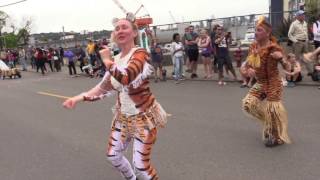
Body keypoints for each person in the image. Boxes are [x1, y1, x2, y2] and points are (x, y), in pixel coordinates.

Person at [63, 16, 168, 180]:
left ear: (134, 33)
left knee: (141, 168)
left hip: (143, 117)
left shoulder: (140, 54)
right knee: (113, 156)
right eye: (117, 28)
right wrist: (77, 98)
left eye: (124, 27)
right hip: (123, 117)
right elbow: (103, 87)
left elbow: (127, 78)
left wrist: (106, 61)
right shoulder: (116, 59)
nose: (120, 31)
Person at [242, 17, 291, 147]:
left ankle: (277, 135)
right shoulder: (253, 47)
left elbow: (288, 68)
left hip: (274, 82)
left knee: (272, 109)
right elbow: (245, 66)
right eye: (255, 30)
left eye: (259, 30)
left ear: (268, 33)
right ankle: (269, 123)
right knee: (248, 104)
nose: (256, 33)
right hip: (261, 82)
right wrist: (248, 71)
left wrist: (282, 59)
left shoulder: (274, 48)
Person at [288, 10, 313, 75]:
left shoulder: (305, 23)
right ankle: (296, 73)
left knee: (307, 57)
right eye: (302, 15)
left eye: (304, 15)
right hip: (297, 43)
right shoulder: (294, 24)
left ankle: (310, 72)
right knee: (296, 59)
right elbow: (289, 34)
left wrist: (307, 40)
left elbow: (306, 32)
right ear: (298, 16)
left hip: (305, 42)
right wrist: (295, 41)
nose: (304, 16)